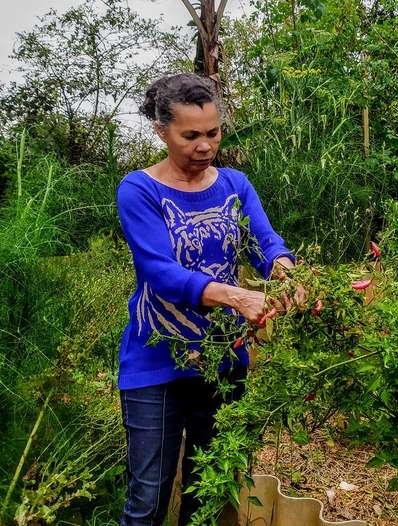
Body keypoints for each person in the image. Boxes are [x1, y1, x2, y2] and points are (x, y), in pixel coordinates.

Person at [115, 73, 300, 525]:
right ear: (161, 132)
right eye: (190, 135)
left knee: (208, 487)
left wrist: (287, 273)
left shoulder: (235, 185)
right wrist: (236, 297)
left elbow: (264, 243)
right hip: (156, 361)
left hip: (223, 360)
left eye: (213, 133)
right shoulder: (140, 190)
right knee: (148, 497)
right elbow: (161, 273)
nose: (205, 145)